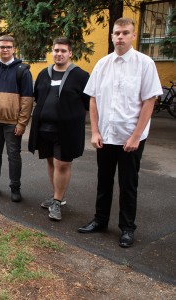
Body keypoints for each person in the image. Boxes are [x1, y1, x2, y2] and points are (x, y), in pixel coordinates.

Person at [78, 18, 162, 248]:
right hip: (105, 135)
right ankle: (100, 220)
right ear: (112, 36)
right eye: (117, 33)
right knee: (103, 181)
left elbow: (149, 102)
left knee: (128, 184)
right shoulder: (103, 64)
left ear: (134, 36)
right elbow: (93, 100)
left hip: (130, 137)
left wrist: (135, 136)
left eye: (125, 33)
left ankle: (127, 228)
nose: (120, 37)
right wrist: (94, 132)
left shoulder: (144, 64)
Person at [28, 37, 90, 220]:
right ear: (52, 52)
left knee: (61, 163)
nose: (59, 54)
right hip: (44, 128)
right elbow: (38, 97)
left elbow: (88, 103)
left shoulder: (80, 76)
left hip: (67, 130)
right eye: (56, 50)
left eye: (63, 51)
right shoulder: (44, 74)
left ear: (70, 53)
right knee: (50, 161)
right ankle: (57, 196)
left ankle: (57, 200)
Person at [0, 35, 34, 202]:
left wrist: (22, 123)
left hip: (13, 123)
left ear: (13, 49)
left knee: (13, 155)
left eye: (8, 47)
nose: (5, 50)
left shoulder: (22, 71)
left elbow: (27, 100)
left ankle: (15, 187)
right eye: (2, 47)